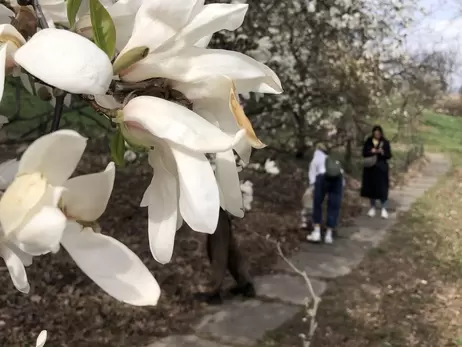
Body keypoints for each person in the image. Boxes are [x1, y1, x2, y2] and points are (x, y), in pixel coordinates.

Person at [194, 208, 255, 305]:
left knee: (217, 248)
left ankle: (213, 291)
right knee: (229, 247)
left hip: (218, 207)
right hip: (221, 207)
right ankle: (245, 284)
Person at [306, 145, 344, 244]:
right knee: (333, 206)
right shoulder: (331, 159)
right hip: (337, 179)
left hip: (322, 178)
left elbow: (312, 176)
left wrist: (313, 187)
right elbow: (341, 173)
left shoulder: (315, 159)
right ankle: (328, 235)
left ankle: (317, 232)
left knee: (317, 203)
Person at [360, 125, 392, 219]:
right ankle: (372, 207)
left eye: (379, 133)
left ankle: (384, 209)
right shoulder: (369, 141)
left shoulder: (385, 142)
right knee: (371, 189)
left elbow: (389, 155)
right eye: (375, 133)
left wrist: (382, 153)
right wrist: (372, 151)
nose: (377, 135)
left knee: (382, 189)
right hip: (370, 168)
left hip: (381, 168)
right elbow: (364, 153)